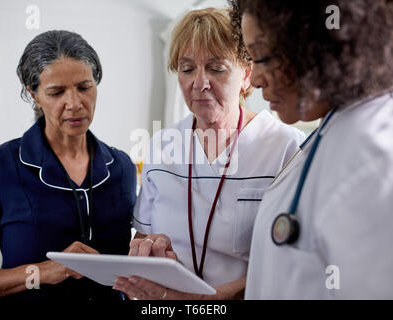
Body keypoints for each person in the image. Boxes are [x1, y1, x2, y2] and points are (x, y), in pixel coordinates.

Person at [113, 8, 305, 300]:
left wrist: (206, 301)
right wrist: (149, 251)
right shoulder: (163, 145)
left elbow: (294, 263)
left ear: (247, 76)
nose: (199, 83)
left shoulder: (286, 148)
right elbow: (142, 236)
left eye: (216, 68)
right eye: (187, 69)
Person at [229, 0, 393, 299]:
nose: (256, 79)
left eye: (261, 57)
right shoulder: (337, 124)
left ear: (320, 43)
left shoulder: (377, 152)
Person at [0, 30, 136, 301]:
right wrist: (40, 273)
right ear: (34, 94)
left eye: (84, 87)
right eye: (56, 92)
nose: (75, 104)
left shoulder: (122, 166)